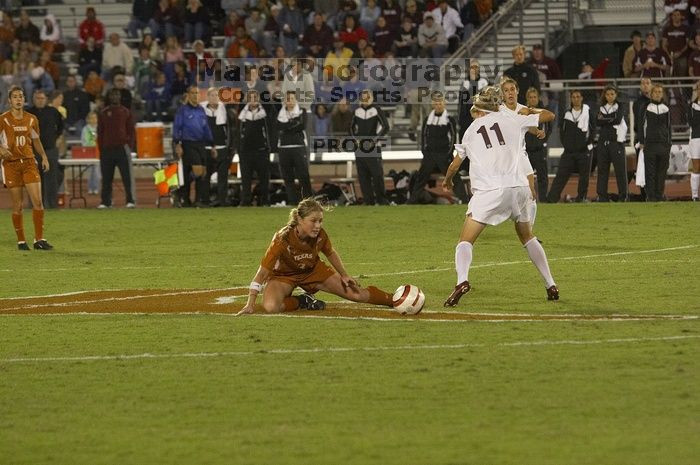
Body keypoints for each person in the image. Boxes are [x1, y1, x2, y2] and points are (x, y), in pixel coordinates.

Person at [441, 86, 557, 306]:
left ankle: (461, 281)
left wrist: (447, 181)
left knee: (465, 241)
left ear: (480, 110)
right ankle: (551, 284)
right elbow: (548, 116)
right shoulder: (514, 119)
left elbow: (455, 165)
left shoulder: (471, 129)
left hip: (491, 191)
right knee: (527, 236)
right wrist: (529, 110)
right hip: (519, 188)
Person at [236, 198, 396, 315]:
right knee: (271, 307)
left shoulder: (320, 235)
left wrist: (344, 275)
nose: (318, 226)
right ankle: (302, 301)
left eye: (320, 221)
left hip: (313, 271)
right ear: (299, 219)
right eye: (313, 221)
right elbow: (262, 274)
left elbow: (330, 252)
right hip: (283, 276)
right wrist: (250, 303)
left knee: (356, 294)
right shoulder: (282, 239)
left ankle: (394, 299)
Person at [0, 86, 53, 250]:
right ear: (9, 100)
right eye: (15, 97)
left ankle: (39, 240)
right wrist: (1, 149)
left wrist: (43, 156)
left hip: (29, 162)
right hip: (11, 165)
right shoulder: (2, 119)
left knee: (37, 201)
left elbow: (36, 140)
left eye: (21, 96)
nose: (18, 99)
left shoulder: (32, 119)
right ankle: (21, 241)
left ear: (24, 99)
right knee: (18, 204)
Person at [410, 91, 468, 203]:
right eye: (436, 104)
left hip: (444, 155)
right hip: (430, 155)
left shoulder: (449, 120)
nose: (438, 106)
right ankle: (412, 201)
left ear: (444, 103)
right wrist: (424, 152)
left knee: (454, 177)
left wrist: (449, 153)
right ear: (432, 104)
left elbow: (454, 138)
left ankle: (464, 200)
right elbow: (423, 136)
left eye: (440, 103)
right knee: (421, 178)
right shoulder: (427, 120)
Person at [547, 90, 595, 203]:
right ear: (571, 99)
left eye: (578, 96)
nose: (576, 99)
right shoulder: (567, 114)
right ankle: (552, 199)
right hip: (569, 151)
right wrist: (567, 145)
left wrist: (587, 144)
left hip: (584, 151)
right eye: (573, 97)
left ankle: (581, 198)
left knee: (584, 177)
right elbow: (562, 132)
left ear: (582, 98)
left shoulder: (588, 113)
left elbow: (592, 130)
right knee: (561, 176)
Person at [173, 85, 215, 208]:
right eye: (193, 93)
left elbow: (206, 128)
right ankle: (181, 191)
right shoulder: (183, 110)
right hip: (188, 143)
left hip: (200, 144)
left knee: (202, 174)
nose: (195, 95)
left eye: (197, 93)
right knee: (198, 171)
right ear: (188, 95)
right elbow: (177, 127)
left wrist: (212, 144)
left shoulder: (201, 110)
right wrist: (177, 144)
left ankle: (195, 200)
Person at [97, 88, 136, 209]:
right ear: (109, 97)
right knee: (106, 178)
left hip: (121, 149)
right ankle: (105, 201)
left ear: (120, 97)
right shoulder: (103, 113)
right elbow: (100, 132)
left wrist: (129, 146)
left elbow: (131, 131)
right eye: (112, 95)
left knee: (127, 177)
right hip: (107, 150)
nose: (114, 97)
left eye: (117, 95)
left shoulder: (126, 112)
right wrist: (102, 148)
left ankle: (130, 200)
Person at [351, 89, 390, 205]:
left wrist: (375, 140)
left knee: (377, 175)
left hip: (373, 148)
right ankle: (368, 201)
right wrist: (355, 140)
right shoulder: (356, 111)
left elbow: (385, 127)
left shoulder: (376, 110)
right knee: (363, 176)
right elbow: (350, 128)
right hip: (360, 149)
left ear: (372, 98)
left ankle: (382, 200)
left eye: (367, 97)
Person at [26, 89, 63, 209]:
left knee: (51, 179)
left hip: (50, 150)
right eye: (38, 98)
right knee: (34, 180)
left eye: (42, 98)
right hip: (32, 151)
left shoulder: (53, 111)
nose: (40, 101)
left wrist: (55, 139)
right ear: (33, 99)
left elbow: (61, 127)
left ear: (46, 99)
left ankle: (52, 205)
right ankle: (35, 205)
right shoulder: (27, 113)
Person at [276, 91, 312, 205]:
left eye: (292, 98)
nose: (289, 101)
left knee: (303, 175)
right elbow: (278, 126)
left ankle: (308, 201)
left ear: (295, 100)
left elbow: (301, 126)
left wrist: (287, 128)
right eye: (287, 99)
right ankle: (292, 201)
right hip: (284, 148)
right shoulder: (279, 114)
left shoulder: (302, 111)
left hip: (298, 146)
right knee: (288, 177)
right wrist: (292, 124)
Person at [638, 84, 672, 202]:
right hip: (650, 144)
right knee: (650, 172)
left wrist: (669, 143)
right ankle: (650, 196)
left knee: (661, 172)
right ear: (651, 94)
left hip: (663, 144)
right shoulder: (645, 107)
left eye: (660, 92)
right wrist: (642, 141)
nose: (658, 94)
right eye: (655, 92)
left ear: (662, 94)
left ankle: (659, 195)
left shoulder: (666, 108)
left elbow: (669, 127)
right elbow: (640, 126)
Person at [595, 85, 628, 202]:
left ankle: (623, 196)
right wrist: (610, 119)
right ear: (604, 95)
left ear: (616, 95)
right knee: (602, 170)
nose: (610, 96)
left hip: (616, 143)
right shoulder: (600, 107)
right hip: (603, 142)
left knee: (620, 171)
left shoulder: (621, 106)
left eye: (612, 94)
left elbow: (618, 119)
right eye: (607, 94)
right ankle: (602, 196)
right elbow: (598, 121)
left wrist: (605, 119)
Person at [239, 90, 272, 207]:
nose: (253, 100)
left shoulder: (265, 114)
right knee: (245, 179)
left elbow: (270, 132)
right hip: (246, 152)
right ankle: (246, 201)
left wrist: (268, 147)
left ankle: (265, 201)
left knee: (264, 179)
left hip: (262, 151)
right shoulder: (241, 115)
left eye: (255, 97)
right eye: (251, 98)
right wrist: (240, 149)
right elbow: (237, 133)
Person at [201, 87, 231, 207]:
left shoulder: (225, 111)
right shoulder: (201, 111)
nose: (214, 98)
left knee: (222, 176)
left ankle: (222, 200)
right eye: (212, 95)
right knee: (205, 176)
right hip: (206, 148)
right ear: (207, 97)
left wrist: (229, 146)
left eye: (216, 95)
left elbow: (230, 129)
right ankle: (205, 200)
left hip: (222, 147)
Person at [524, 87, 551, 202]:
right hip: (526, 150)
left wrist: (542, 141)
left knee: (542, 177)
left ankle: (543, 200)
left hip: (540, 149)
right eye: (530, 97)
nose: (533, 99)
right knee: (525, 178)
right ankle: (526, 200)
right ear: (527, 99)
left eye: (535, 97)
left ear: (538, 98)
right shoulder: (523, 112)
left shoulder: (543, 112)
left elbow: (549, 128)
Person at [81, 111, 101, 195]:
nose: (93, 120)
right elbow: (84, 140)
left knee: (97, 171)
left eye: (95, 118)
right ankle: (90, 188)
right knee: (90, 172)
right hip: (89, 152)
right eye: (91, 118)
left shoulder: (99, 128)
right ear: (88, 120)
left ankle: (96, 188)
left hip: (97, 152)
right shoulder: (85, 129)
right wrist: (89, 145)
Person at [688, 81, 700, 201]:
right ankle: (695, 195)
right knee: (696, 166)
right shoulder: (692, 106)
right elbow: (692, 122)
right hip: (696, 138)